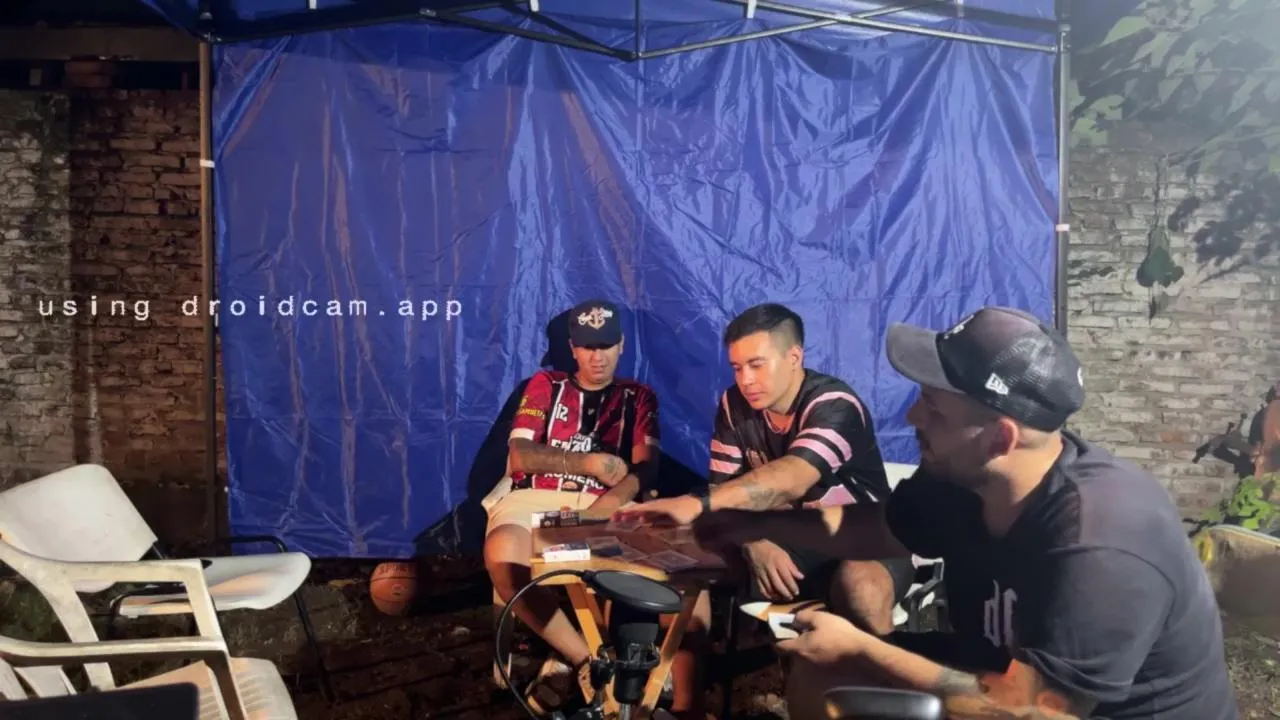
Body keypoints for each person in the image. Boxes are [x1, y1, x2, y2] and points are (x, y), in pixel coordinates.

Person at [687, 306, 1239, 720]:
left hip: (1061, 709)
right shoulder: (962, 478)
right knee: (820, 670)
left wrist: (861, 645)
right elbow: (877, 526)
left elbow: (1039, 709)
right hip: (1000, 672)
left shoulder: (1101, 539)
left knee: (846, 659)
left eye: (934, 407)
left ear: (999, 437)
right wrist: (758, 524)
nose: (912, 416)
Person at [619, 303, 917, 636]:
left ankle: (881, 668)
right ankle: (682, 667)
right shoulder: (734, 405)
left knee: (861, 587)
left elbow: (793, 477)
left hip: (866, 540)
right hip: (790, 542)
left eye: (757, 365)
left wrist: (697, 503)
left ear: (794, 357)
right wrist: (753, 541)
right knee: (683, 562)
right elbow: (724, 490)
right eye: (737, 368)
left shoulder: (834, 404)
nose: (746, 380)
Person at [483, 300, 709, 718]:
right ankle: (587, 660)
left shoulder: (638, 397)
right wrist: (589, 463)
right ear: (573, 348)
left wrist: (605, 505)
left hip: (600, 504)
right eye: (588, 346)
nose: (597, 356)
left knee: (680, 570)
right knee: (502, 552)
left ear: (621, 345)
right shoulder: (546, 384)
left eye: (605, 345)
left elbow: (645, 469)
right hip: (534, 498)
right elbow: (520, 456)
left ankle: (679, 699)